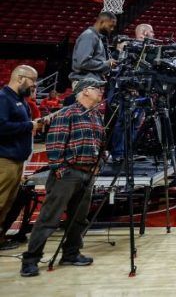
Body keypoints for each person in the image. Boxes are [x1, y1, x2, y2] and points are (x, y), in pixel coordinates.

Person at [20, 78, 106, 278]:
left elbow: (100, 144)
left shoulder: (96, 116)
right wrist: (60, 170)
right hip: (68, 174)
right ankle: (31, 259)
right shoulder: (67, 113)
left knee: (79, 219)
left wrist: (98, 165)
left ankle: (71, 253)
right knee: (49, 217)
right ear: (85, 91)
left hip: (88, 173)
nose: (101, 91)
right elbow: (55, 144)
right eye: (96, 88)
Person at [1, 65, 45, 250]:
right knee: (1, 200)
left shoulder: (20, 100)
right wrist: (29, 126)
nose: (34, 86)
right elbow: (1, 127)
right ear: (20, 78)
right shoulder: (3, 99)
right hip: (5, 160)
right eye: (32, 81)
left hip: (16, 160)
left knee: (8, 202)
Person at [70, 12, 118, 82]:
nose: (112, 29)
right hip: (85, 82)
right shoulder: (89, 36)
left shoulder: (98, 37)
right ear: (101, 22)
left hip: (92, 81)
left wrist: (110, 64)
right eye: (110, 26)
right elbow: (83, 63)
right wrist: (107, 63)